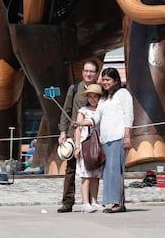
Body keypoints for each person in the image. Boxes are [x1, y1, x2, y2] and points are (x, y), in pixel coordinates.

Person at [81, 67, 133, 213]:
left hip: (119, 137)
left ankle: (119, 204)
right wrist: (83, 122)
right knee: (109, 172)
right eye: (103, 80)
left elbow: (129, 115)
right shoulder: (103, 99)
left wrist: (127, 136)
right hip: (106, 140)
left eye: (107, 80)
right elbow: (97, 116)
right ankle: (113, 202)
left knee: (117, 170)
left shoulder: (123, 94)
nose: (105, 82)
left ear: (115, 80)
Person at [57, 58, 100, 213]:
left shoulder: (100, 90)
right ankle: (67, 202)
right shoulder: (74, 89)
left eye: (92, 71)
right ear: (82, 72)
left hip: (93, 136)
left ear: (96, 74)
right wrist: (62, 131)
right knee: (70, 170)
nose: (88, 74)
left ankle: (89, 202)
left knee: (92, 168)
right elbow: (65, 110)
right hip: (74, 135)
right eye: (86, 71)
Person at [74, 83, 104, 213]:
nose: (93, 99)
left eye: (95, 96)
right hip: (85, 145)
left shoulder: (101, 110)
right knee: (85, 175)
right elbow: (78, 129)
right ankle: (85, 202)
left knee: (95, 175)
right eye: (90, 96)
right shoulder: (83, 111)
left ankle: (94, 200)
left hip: (98, 145)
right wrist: (77, 146)